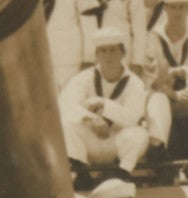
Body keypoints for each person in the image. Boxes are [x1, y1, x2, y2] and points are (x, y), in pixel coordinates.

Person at [61, 30, 155, 174]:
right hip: (91, 138)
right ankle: (80, 171)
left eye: (113, 50)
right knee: (66, 125)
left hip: (116, 140)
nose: (108, 56)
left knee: (139, 134)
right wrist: (92, 118)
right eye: (103, 51)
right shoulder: (83, 78)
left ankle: (121, 173)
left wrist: (103, 105)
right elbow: (66, 105)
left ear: (123, 53)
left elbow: (131, 117)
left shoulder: (134, 83)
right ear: (97, 55)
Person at [142, 0, 188, 163]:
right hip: (165, 97)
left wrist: (184, 71)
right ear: (165, 8)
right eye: (172, 7)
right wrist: (171, 94)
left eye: (181, 7)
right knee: (156, 99)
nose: (177, 12)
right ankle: (158, 148)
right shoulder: (153, 37)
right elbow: (150, 79)